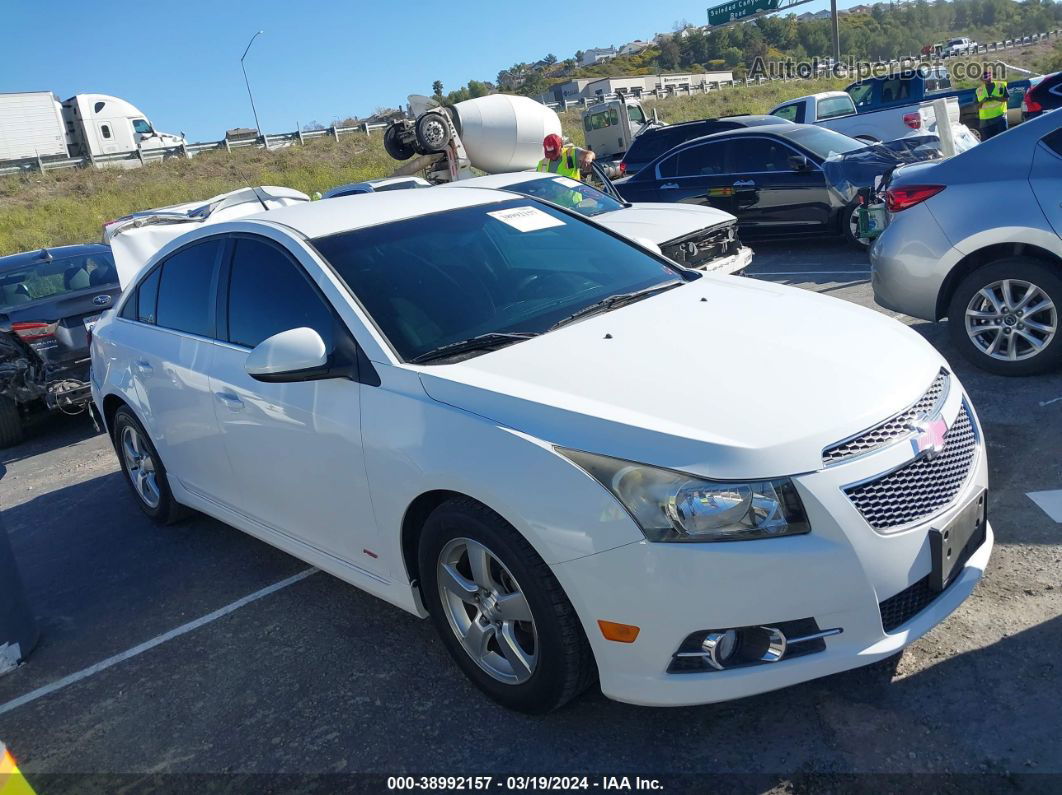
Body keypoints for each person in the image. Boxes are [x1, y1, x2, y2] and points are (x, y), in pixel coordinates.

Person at [976, 68, 1009, 140]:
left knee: (1003, 139)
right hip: (985, 121)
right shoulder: (978, 90)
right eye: (985, 77)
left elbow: (1006, 99)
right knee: (989, 142)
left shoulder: (1001, 85)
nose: (987, 79)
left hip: (1000, 117)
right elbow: (976, 107)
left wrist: (995, 98)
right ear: (982, 79)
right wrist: (983, 101)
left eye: (989, 76)